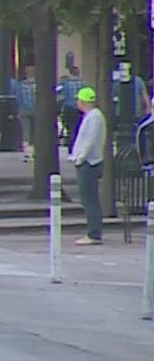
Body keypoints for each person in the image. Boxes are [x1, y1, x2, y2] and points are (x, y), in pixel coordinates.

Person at [70, 85, 107, 245]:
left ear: (83, 101)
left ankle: (94, 233)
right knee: (89, 199)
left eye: (78, 100)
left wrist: (80, 158)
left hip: (89, 163)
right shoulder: (92, 116)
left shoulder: (94, 117)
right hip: (88, 161)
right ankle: (93, 231)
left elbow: (89, 141)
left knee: (89, 199)